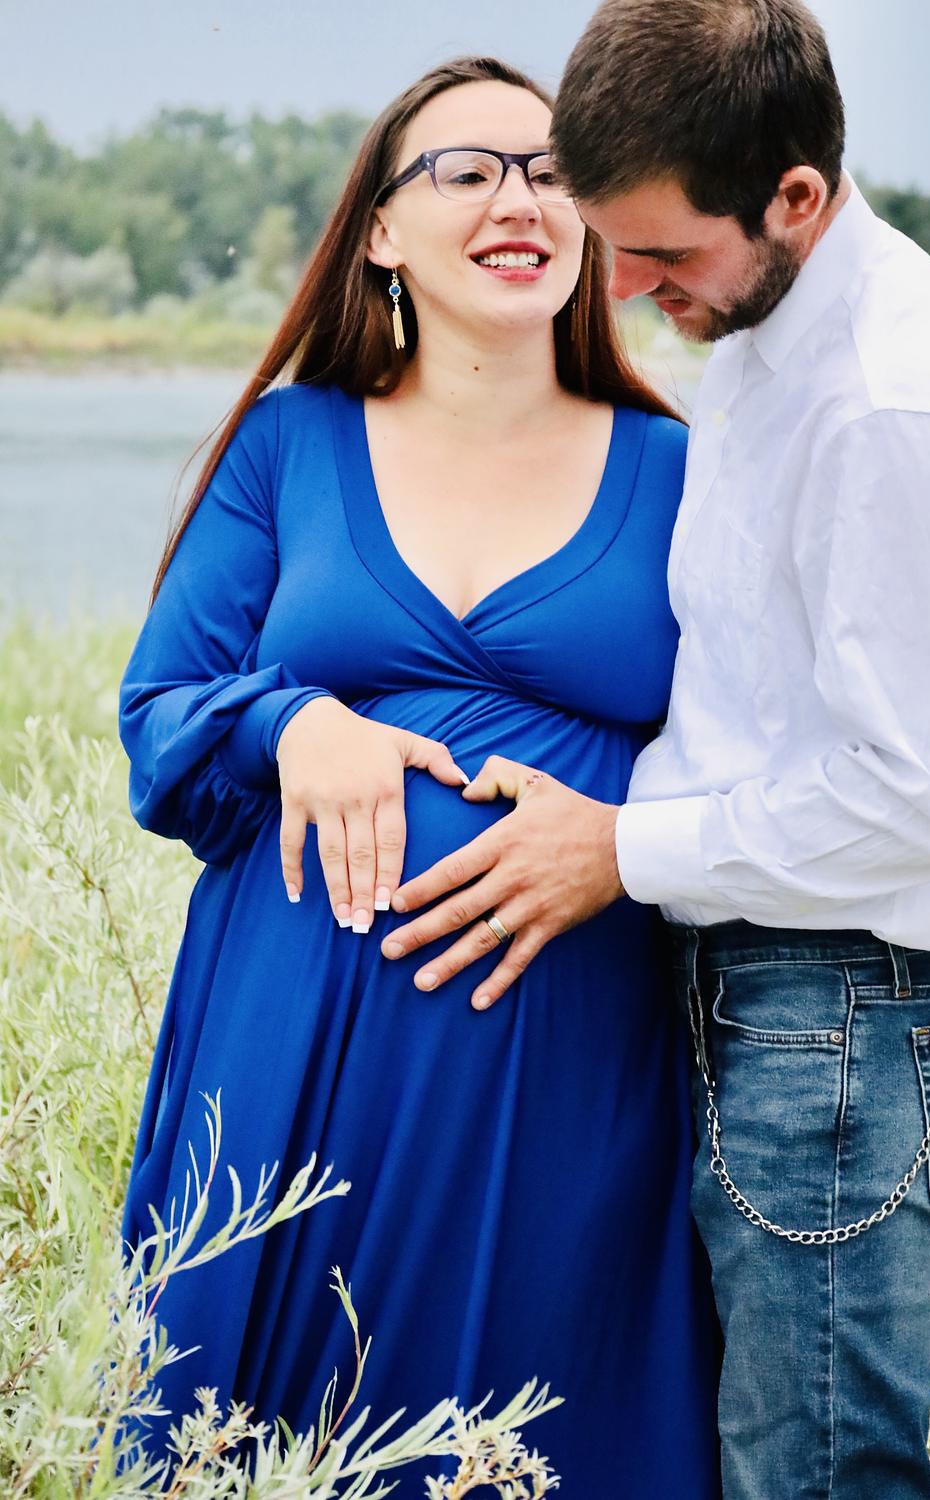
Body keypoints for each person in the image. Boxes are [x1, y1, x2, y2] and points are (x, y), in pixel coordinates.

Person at [380, 4, 930, 1497]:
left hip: (851, 1008)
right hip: (790, 993)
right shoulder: (770, 327)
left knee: (815, 1474)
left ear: (796, 196)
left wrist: (618, 846)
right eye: (612, 245)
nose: (625, 288)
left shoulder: (889, 406)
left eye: (661, 253)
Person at [117, 55, 722, 1494]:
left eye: (554, 171)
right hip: (289, 1057)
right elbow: (160, 722)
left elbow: (767, 763)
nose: (520, 198)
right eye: (469, 170)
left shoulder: (686, 472)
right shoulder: (289, 444)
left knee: (547, 1433)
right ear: (382, 229)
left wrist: (619, 838)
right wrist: (291, 726)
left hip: (569, 1065)